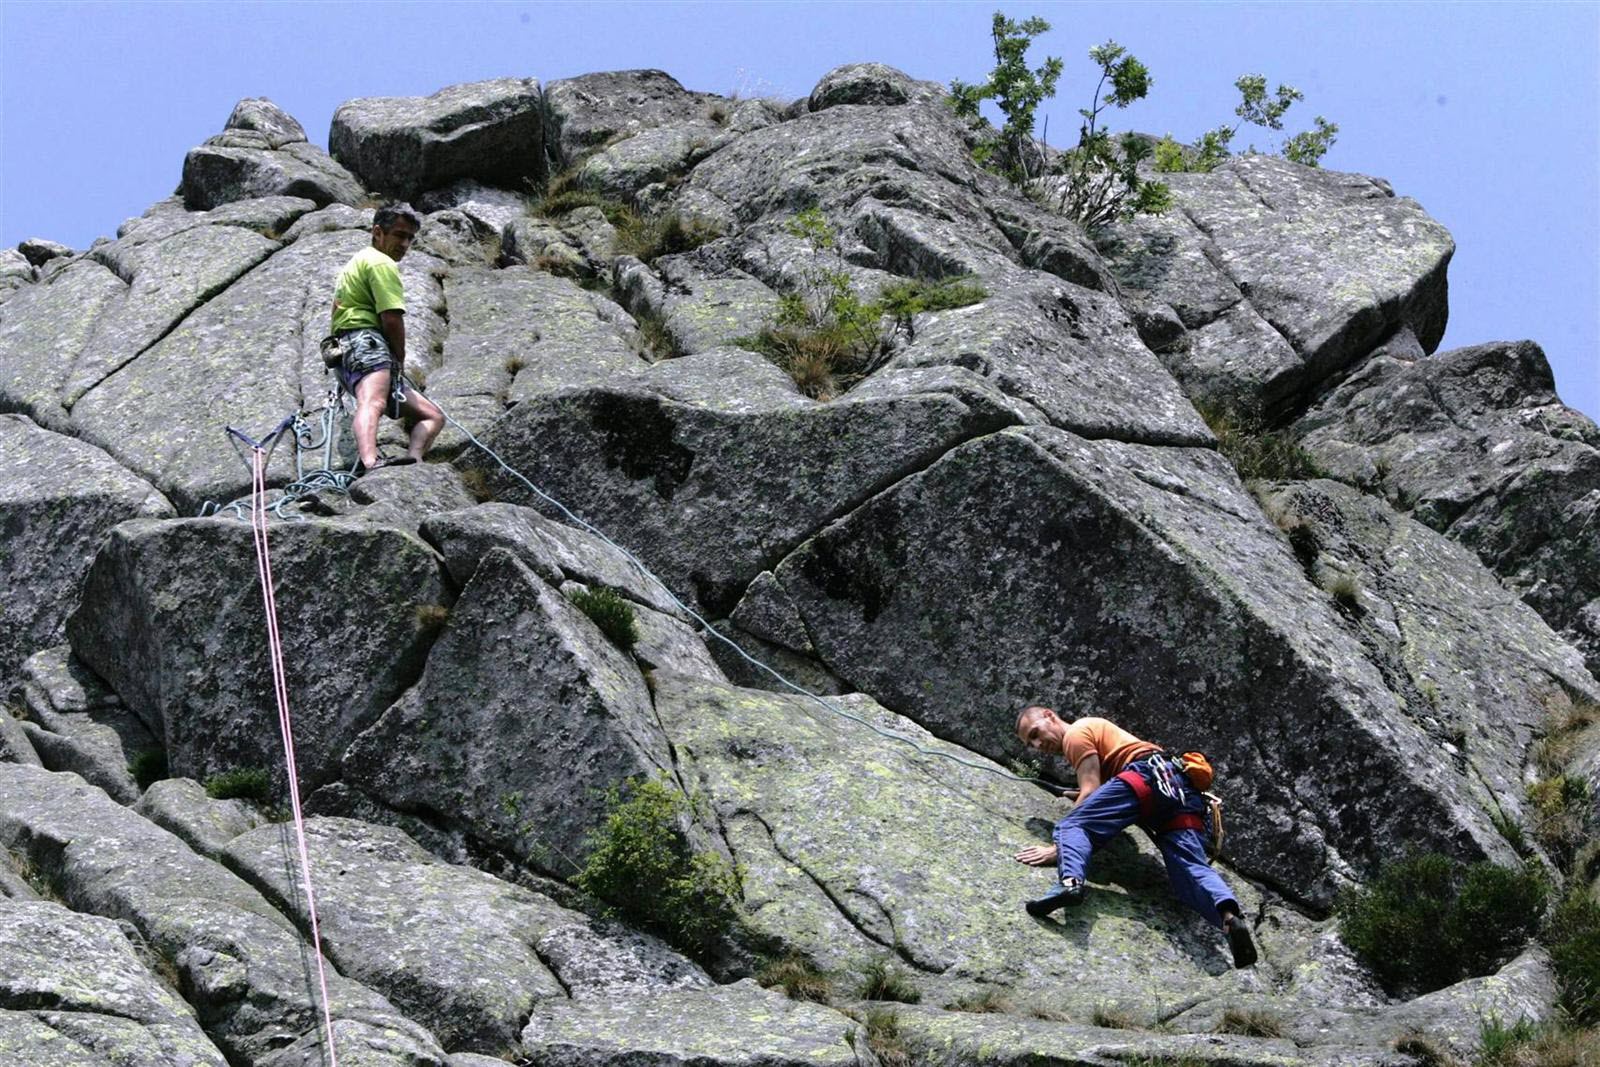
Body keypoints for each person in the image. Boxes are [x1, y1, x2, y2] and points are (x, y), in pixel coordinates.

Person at [1012, 705, 1256, 968]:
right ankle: (1229, 918)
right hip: (1180, 792)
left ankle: (1070, 882)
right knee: (1189, 870)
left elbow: (1090, 792)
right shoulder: (1097, 734)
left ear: (1050, 716)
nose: (1038, 744)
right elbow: (1101, 788)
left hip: (1145, 778)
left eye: (1036, 733)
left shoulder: (1077, 733)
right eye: (1031, 743)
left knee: (1072, 825)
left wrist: (1056, 849)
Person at [329, 204, 444, 473]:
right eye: (399, 235)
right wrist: (399, 357)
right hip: (366, 344)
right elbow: (391, 317)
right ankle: (371, 462)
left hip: (349, 350)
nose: (404, 244)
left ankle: (413, 460)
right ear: (378, 232)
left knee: (433, 415)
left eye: (410, 239)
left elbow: (335, 309)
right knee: (374, 402)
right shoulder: (381, 263)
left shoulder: (355, 263)